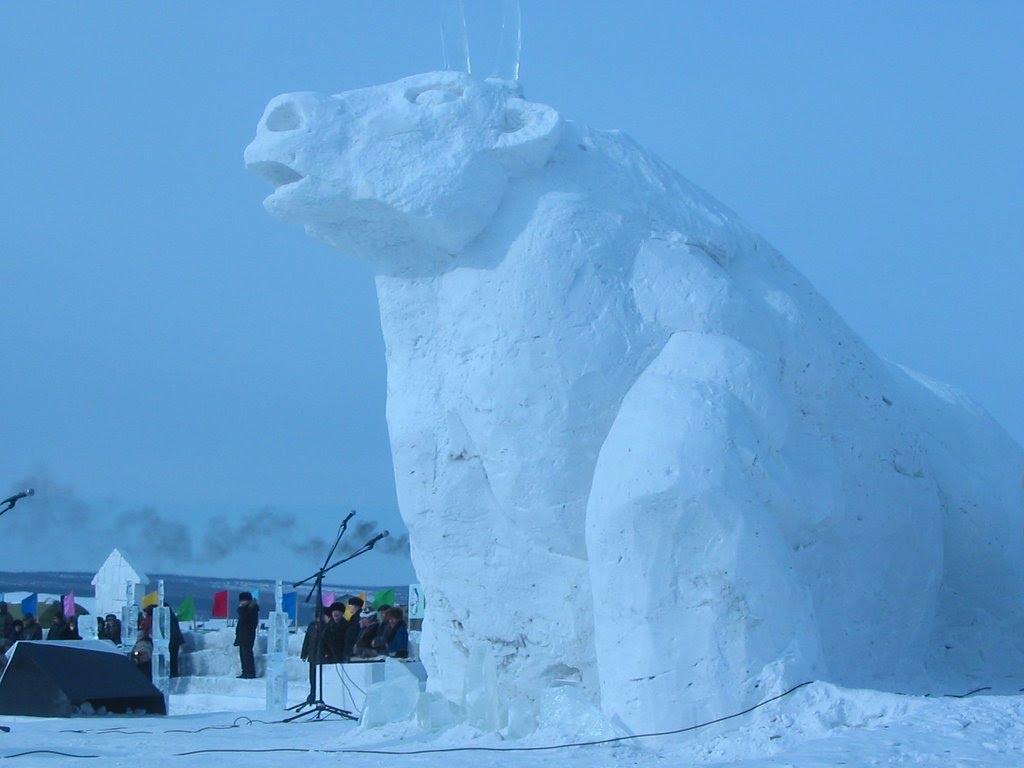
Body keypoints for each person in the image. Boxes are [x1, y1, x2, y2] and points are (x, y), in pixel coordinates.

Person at [299, 609, 334, 703]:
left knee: (321, 677)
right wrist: (304, 653)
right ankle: (312, 694)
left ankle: (321, 694)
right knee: (312, 677)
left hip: (322, 656)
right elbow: (307, 640)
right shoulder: (312, 625)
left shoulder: (326, 626)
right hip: (312, 655)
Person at [233, 591, 259, 679]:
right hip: (244, 634)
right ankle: (245, 671)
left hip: (247, 634)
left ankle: (249, 672)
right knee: (243, 655)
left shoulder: (251, 608)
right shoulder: (248, 608)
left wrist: (241, 609)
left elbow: (245, 618)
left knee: (246, 654)